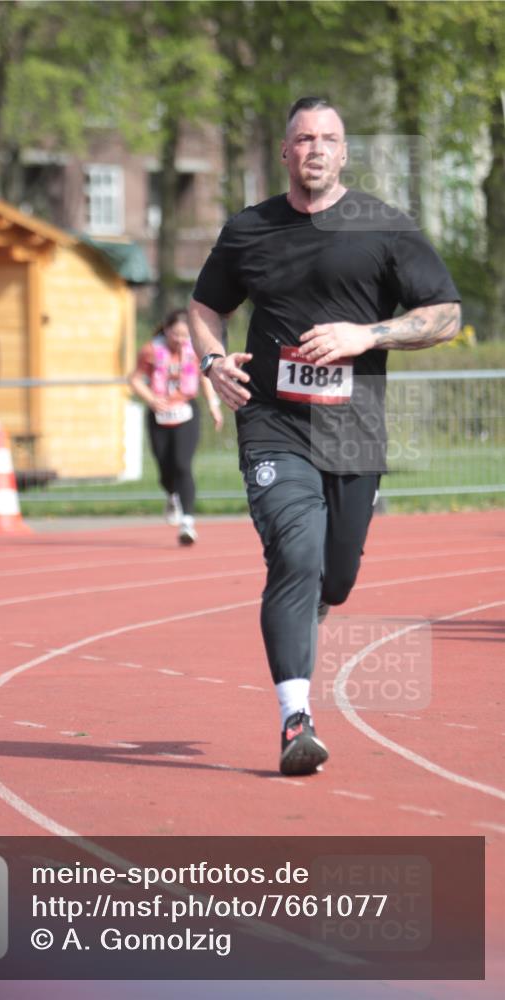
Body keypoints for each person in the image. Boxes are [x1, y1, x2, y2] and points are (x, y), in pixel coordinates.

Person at [189, 97, 461, 775]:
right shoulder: (248, 230)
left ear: (343, 153)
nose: (315, 148)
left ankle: (314, 607)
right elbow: (203, 307)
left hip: (354, 430)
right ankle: (295, 719)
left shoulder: (383, 227)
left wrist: (365, 335)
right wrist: (213, 362)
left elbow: (446, 315)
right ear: (285, 151)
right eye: (303, 138)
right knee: (296, 553)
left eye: (328, 138)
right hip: (272, 422)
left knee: (333, 579)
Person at [129, 308, 223, 545]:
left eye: (185, 335)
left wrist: (213, 405)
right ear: (166, 330)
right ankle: (172, 495)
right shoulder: (151, 350)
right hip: (159, 414)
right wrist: (151, 399)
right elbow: (135, 379)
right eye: (176, 335)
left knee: (182, 464)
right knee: (165, 468)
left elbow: (204, 377)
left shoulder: (194, 351)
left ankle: (187, 522)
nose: (180, 340)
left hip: (186, 412)